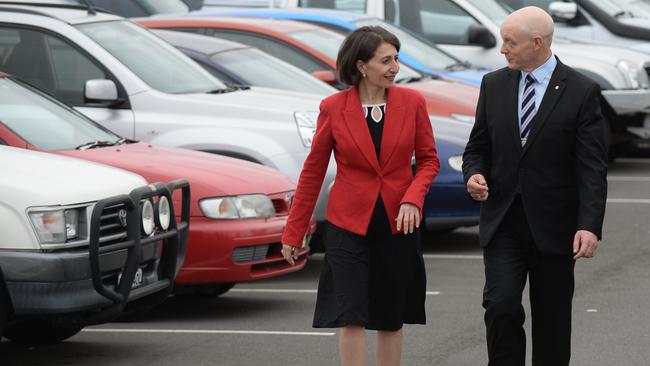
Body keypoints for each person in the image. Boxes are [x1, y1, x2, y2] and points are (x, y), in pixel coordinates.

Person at [280, 26, 439, 366]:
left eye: (396, 58)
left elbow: (428, 161)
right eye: (386, 60)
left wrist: (413, 197)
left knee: (390, 316)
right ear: (361, 65)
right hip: (347, 225)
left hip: (399, 224)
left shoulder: (413, 102)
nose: (395, 67)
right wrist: (294, 232)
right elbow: (313, 171)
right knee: (349, 314)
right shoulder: (333, 107)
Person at [462, 6, 608, 366]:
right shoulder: (494, 84)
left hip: (554, 226)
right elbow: (477, 146)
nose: (503, 49)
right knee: (501, 306)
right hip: (503, 222)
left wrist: (589, 225)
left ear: (537, 42)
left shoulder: (581, 91)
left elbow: (591, 167)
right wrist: (473, 174)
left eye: (510, 42)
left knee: (553, 320)